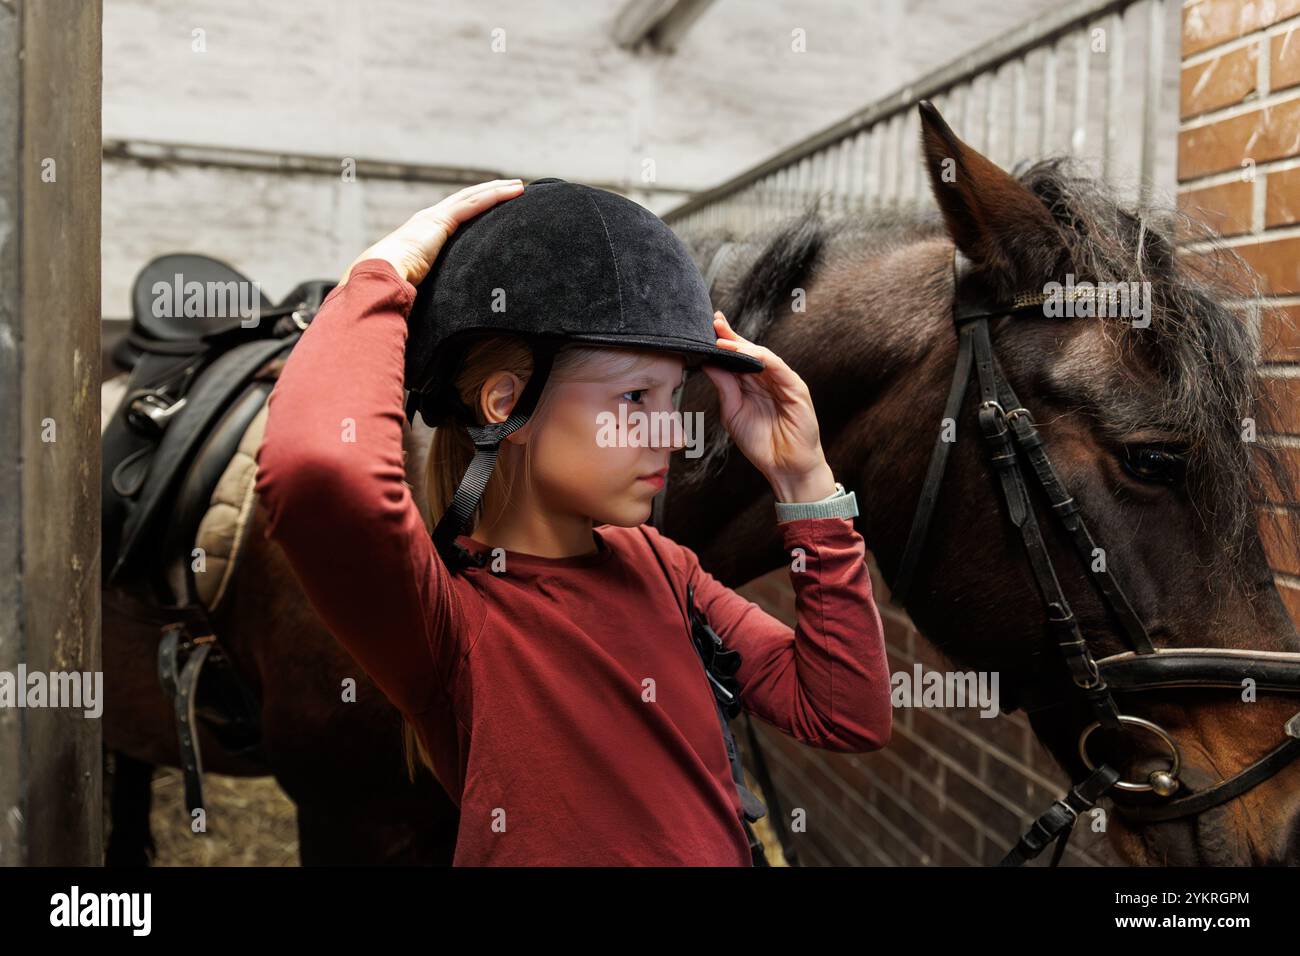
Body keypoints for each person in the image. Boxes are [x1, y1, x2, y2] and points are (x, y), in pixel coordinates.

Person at [253, 178, 892, 866]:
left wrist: (804, 481)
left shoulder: (664, 568)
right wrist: (381, 277)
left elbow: (845, 712)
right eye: (635, 397)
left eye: (673, 396)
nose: (673, 435)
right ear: (507, 403)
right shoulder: (448, 620)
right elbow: (317, 470)